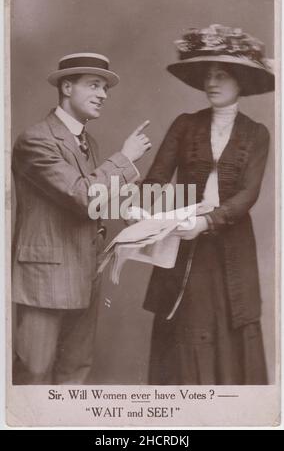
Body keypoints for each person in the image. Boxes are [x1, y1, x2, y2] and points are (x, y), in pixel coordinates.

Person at [142, 24, 274, 385]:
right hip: (184, 246)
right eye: (208, 75)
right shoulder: (185, 125)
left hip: (232, 248)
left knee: (232, 320)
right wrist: (149, 214)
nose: (212, 82)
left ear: (241, 82)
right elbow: (155, 181)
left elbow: (248, 193)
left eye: (222, 75)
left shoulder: (256, 133)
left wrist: (208, 221)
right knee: (187, 326)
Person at [12, 52, 151, 384]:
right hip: (44, 281)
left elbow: (94, 202)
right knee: (35, 375)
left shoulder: (90, 143)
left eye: (104, 87)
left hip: (85, 275)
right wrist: (126, 159)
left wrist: (132, 215)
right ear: (67, 86)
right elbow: (83, 195)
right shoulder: (35, 140)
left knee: (74, 374)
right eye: (94, 85)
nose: (103, 94)